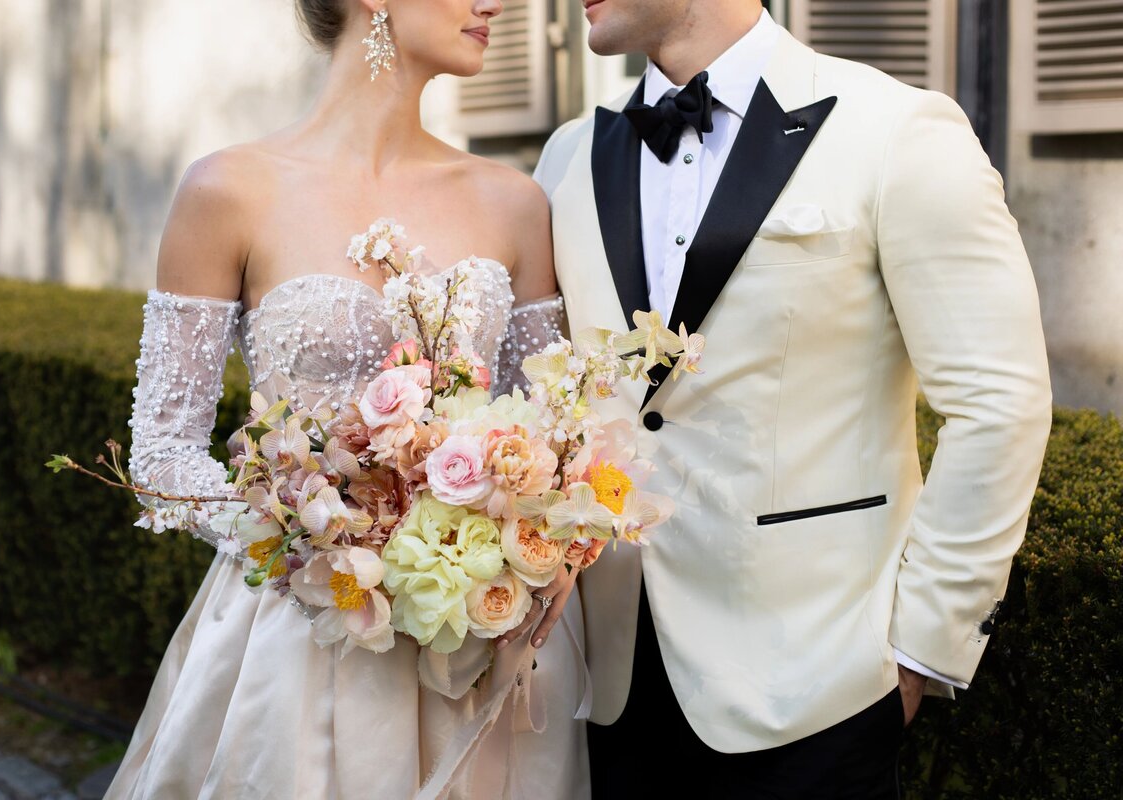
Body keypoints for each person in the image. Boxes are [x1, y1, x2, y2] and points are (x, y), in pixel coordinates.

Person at [528, 0, 1052, 796]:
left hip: (819, 687)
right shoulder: (568, 155)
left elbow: (999, 402)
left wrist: (921, 652)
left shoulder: (897, 130)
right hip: (607, 686)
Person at [106, 0, 590, 797]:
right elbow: (162, 454)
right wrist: (314, 536)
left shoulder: (515, 202)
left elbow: (550, 429)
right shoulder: (228, 190)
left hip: (476, 638)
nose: (494, 3)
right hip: (300, 635)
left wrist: (536, 532)